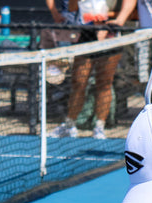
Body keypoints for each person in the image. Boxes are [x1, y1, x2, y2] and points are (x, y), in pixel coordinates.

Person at [46, 0, 124, 139]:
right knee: (79, 81)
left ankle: (99, 127)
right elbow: (72, 7)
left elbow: (128, 6)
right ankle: (70, 125)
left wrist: (113, 19)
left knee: (104, 83)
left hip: (110, 32)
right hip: (86, 32)